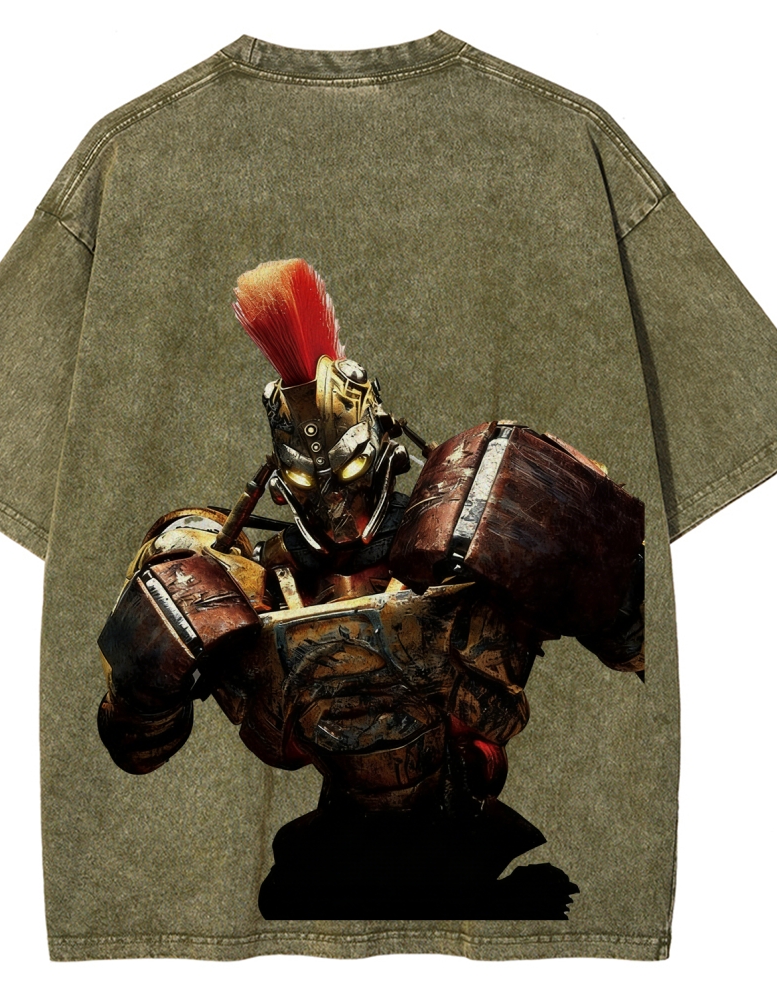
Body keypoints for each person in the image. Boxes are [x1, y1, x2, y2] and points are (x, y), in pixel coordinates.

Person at [97, 258, 645, 919]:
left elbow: (634, 634)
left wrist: (555, 528)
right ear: (280, 482)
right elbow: (136, 741)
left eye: (350, 469)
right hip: (332, 852)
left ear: (387, 448)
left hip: (467, 833)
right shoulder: (254, 580)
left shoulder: (466, 540)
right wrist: (157, 635)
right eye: (308, 482)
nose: (333, 500)